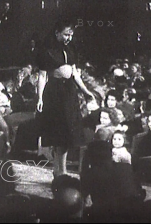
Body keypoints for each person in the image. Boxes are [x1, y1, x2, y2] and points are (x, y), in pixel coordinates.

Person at [36, 18, 95, 177]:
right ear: (57, 33)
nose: (69, 38)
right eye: (66, 34)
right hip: (55, 92)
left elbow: (75, 73)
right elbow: (42, 76)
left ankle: (61, 170)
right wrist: (40, 98)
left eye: (71, 35)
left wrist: (85, 91)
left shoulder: (70, 49)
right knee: (59, 135)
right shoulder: (46, 50)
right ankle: (59, 171)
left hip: (69, 92)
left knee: (68, 134)